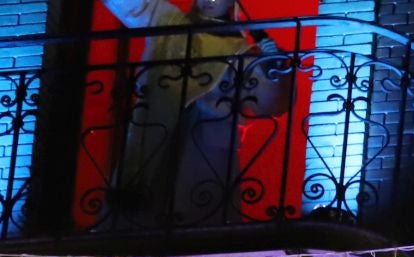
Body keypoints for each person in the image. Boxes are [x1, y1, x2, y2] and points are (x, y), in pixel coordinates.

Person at [98, 0, 292, 226]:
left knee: (199, 212)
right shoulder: (170, 24)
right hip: (155, 134)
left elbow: (270, 103)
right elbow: (133, 6)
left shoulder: (241, 53)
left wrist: (275, 68)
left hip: (205, 146)